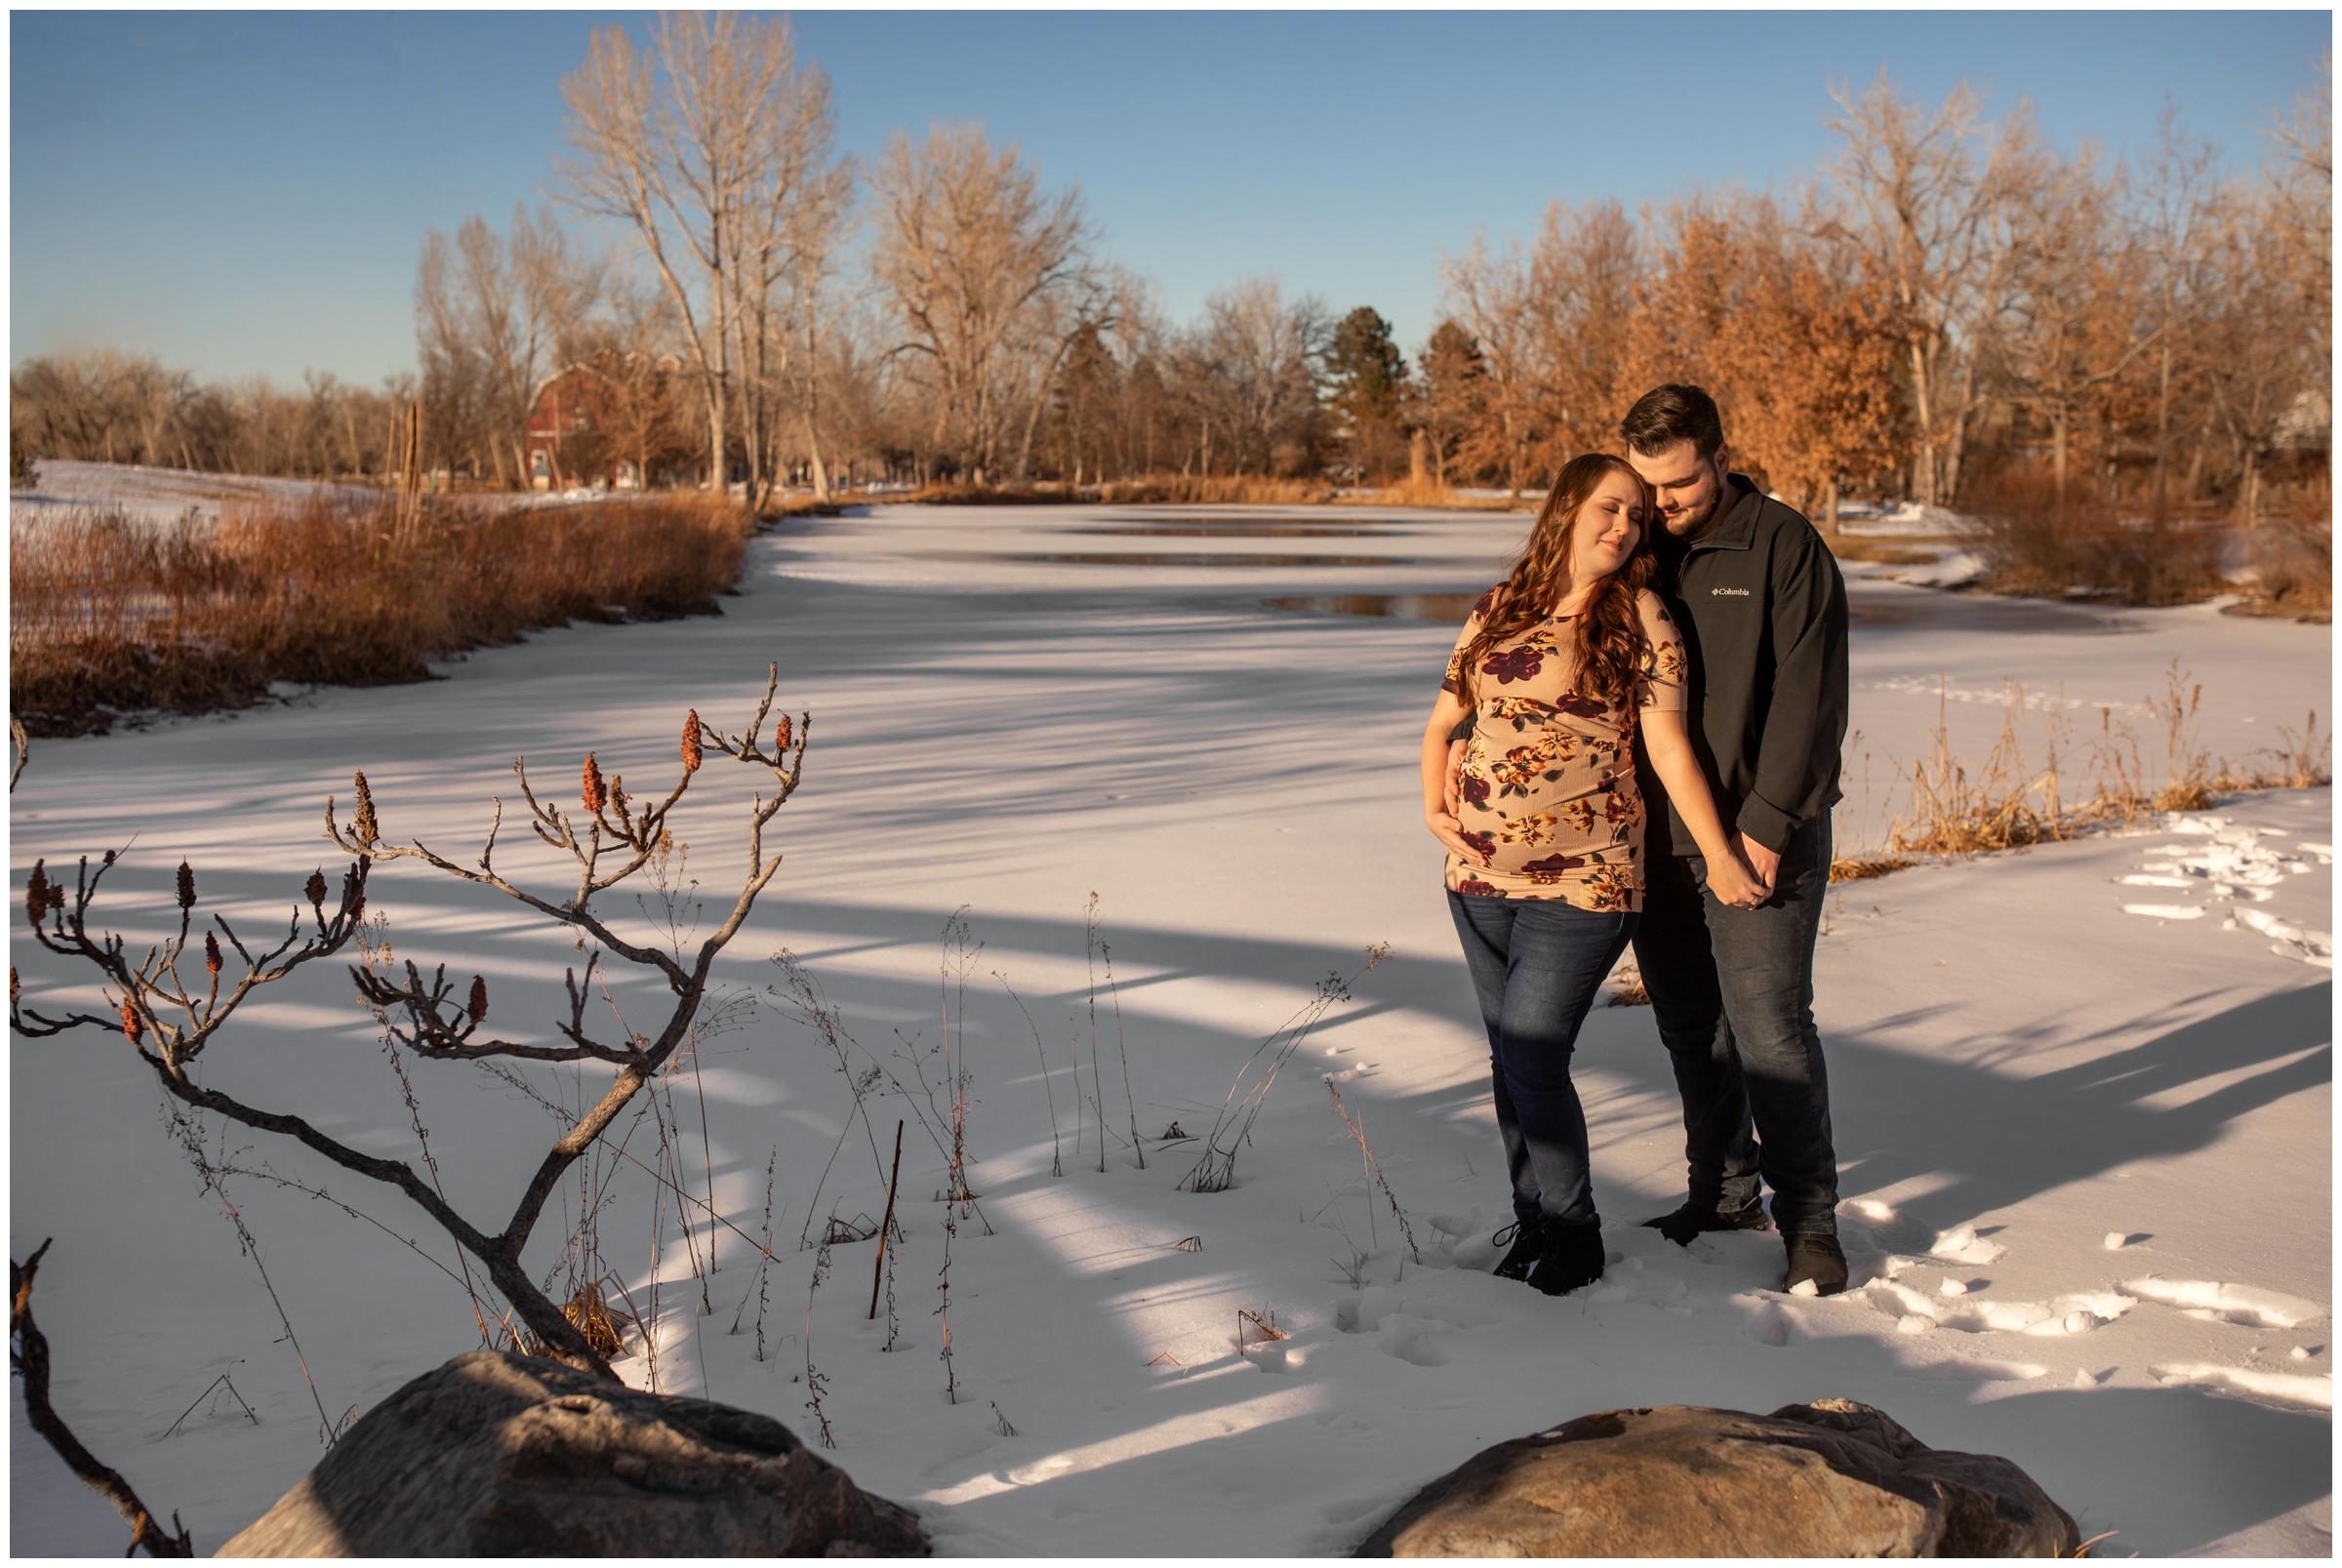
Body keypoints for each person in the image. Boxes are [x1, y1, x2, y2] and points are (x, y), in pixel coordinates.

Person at [1421, 452, 1769, 1297]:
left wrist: (1723, 853)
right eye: (1609, 508)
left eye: (1636, 517)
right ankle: (1533, 1217)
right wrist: (1436, 804)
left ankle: (1576, 1232)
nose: (1623, 527)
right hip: (1477, 876)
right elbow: (1443, 721)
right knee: (1510, 1059)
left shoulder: (1640, 616)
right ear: (1567, 507)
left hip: (1586, 876)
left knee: (1534, 1053)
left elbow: (1670, 747)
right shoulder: (1499, 609)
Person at [1616, 384, 1851, 1296]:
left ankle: (1812, 1224)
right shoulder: (1634, 548)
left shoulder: (1786, 548)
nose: (1661, 506)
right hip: (1659, 841)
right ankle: (1721, 1195)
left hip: (1762, 840)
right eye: (1648, 488)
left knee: (1770, 1032)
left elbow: (1810, 703)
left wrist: (1763, 830)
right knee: (1691, 1029)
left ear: (1721, 456)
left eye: (1677, 486)